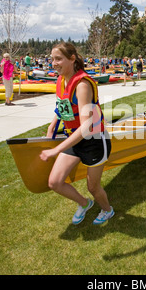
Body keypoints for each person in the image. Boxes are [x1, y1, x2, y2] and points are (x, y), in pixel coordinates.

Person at [39, 42, 114, 225]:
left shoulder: (82, 85)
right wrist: (51, 128)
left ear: (72, 59)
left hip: (94, 141)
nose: (54, 63)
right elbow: (62, 108)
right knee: (55, 182)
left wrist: (55, 150)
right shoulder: (61, 80)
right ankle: (84, 203)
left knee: (93, 187)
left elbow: (87, 126)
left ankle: (107, 210)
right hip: (75, 139)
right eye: (52, 59)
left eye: (58, 59)